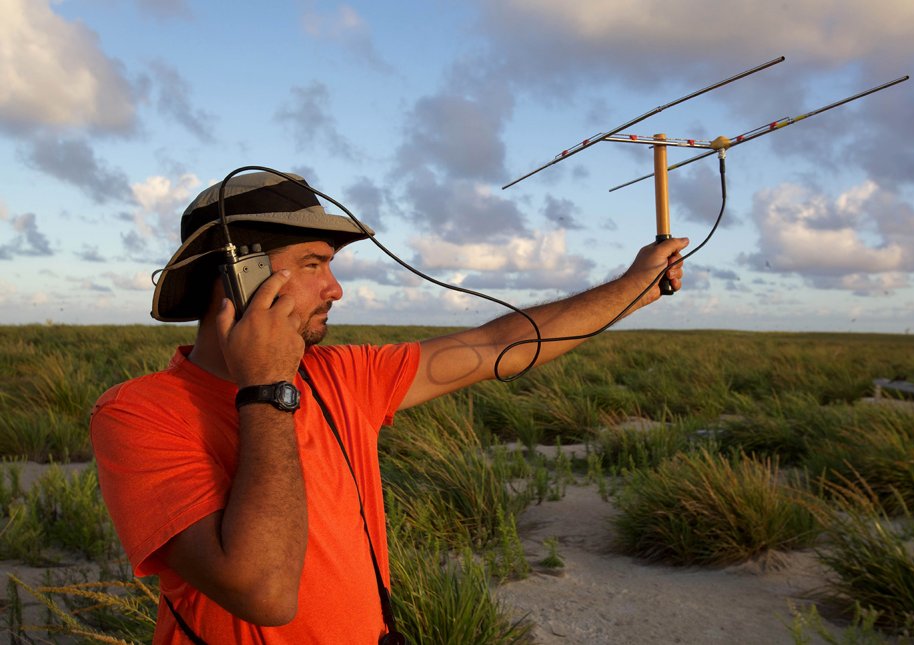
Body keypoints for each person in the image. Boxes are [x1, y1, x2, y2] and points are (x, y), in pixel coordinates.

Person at [90, 170, 687, 644]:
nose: (336, 288)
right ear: (238, 277)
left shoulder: (342, 374)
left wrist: (637, 286)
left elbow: (495, 346)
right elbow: (264, 593)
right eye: (312, 264)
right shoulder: (139, 413)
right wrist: (267, 387)